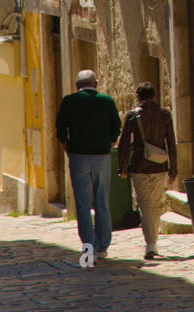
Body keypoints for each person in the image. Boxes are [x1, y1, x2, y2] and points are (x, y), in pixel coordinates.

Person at [55, 70, 122, 263]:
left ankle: (89, 246)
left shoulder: (69, 101)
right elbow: (115, 127)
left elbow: (60, 127)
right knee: (102, 201)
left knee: (83, 204)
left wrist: (67, 146)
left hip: (79, 156)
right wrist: (109, 143)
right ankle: (103, 246)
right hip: (102, 156)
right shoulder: (107, 101)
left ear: (77, 85)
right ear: (96, 83)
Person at [117, 82, 177, 260]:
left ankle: (150, 244)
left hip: (139, 166)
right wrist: (174, 167)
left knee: (144, 204)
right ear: (154, 95)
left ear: (138, 96)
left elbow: (124, 143)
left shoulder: (133, 115)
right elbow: (171, 143)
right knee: (156, 203)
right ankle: (153, 242)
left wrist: (122, 166)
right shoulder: (165, 115)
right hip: (159, 166)